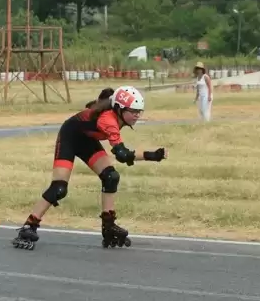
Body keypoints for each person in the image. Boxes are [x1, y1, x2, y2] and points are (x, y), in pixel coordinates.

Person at [12, 85, 168, 250]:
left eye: (139, 111)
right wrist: (152, 155)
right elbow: (122, 155)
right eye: (134, 111)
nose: (137, 115)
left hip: (86, 139)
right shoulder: (109, 120)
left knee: (111, 177)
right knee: (59, 188)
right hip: (70, 137)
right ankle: (29, 226)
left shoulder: (118, 116)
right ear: (119, 109)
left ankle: (108, 226)